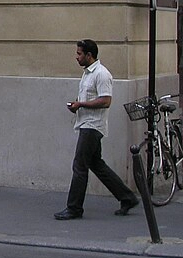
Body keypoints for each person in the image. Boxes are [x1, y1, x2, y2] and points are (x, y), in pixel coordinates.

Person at [54, 38, 138, 220]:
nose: (76, 57)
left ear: (89, 55)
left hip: (93, 126)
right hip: (86, 123)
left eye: (79, 53)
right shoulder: (87, 73)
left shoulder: (101, 74)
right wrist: (77, 104)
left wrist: (81, 104)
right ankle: (127, 197)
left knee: (79, 165)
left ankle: (74, 208)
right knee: (96, 164)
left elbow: (106, 101)